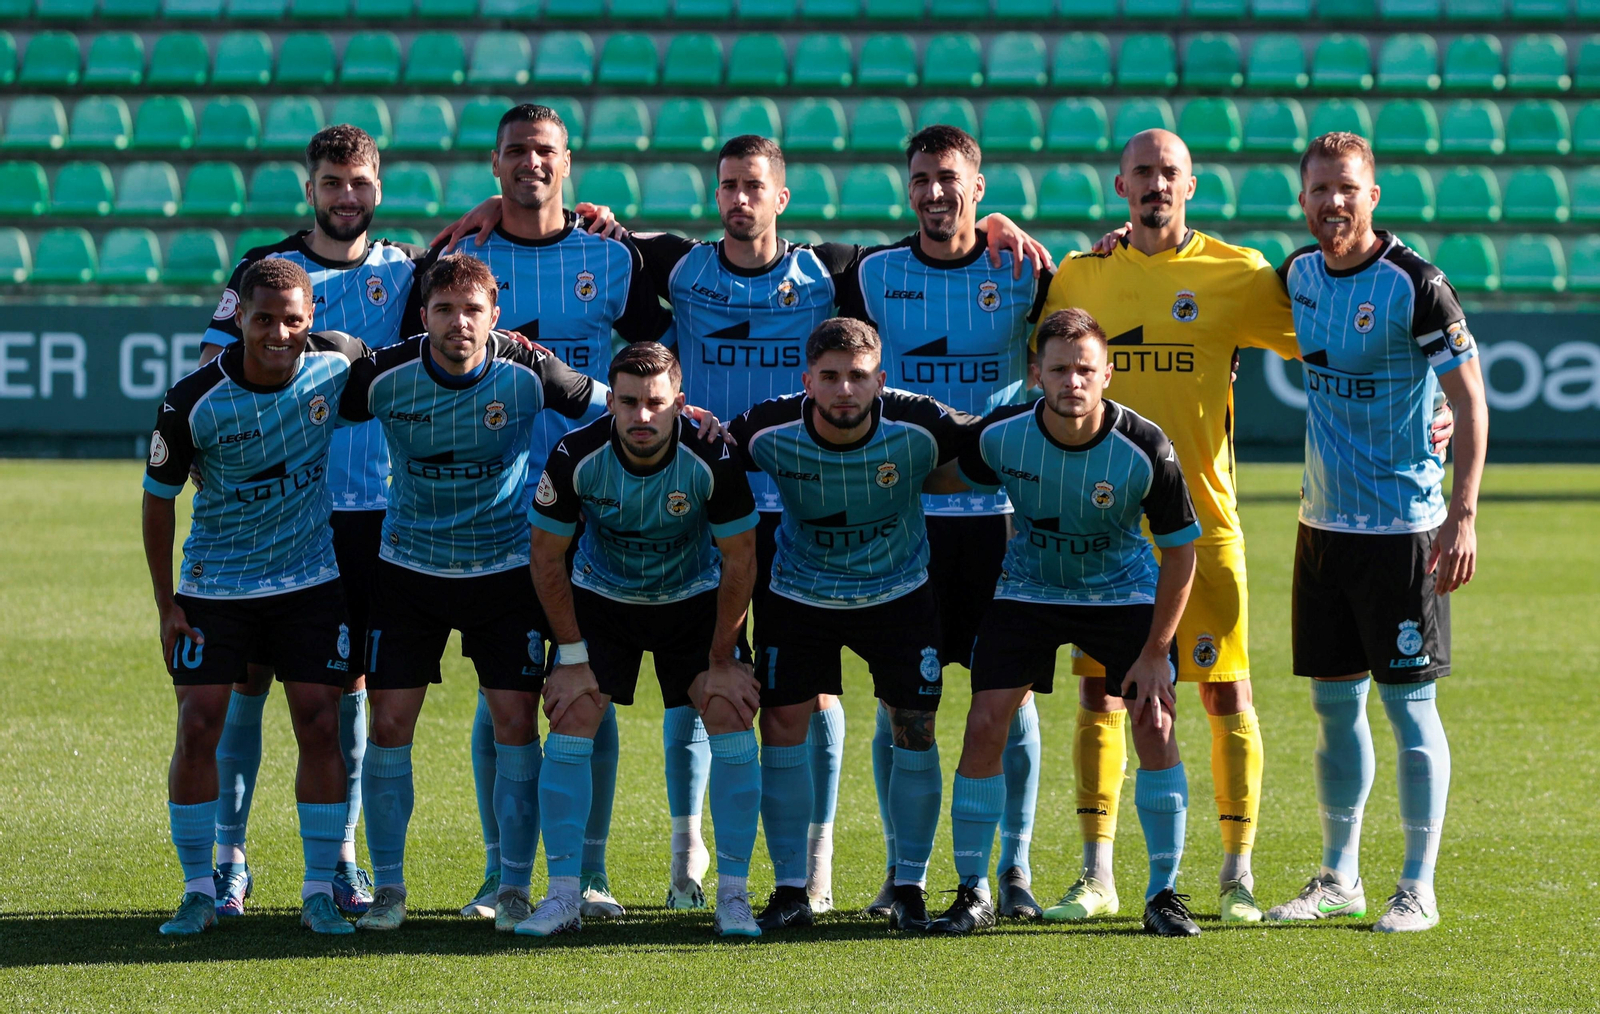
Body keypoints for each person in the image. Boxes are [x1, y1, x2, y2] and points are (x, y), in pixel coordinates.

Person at [442, 131, 1051, 913]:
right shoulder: (678, 265)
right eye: (728, 186)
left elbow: (944, 240)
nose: (740, 200)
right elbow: (552, 214)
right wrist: (499, 201)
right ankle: (686, 855)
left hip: (814, 504)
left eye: (754, 187)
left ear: (781, 197)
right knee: (701, 679)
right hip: (698, 502)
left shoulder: (836, 269)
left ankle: (818, 866)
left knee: (823, 694)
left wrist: (990, 220)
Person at [404, 103, 670, 922]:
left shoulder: (613, 257)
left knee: (595, 686)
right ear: (495, 164)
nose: (532, 163)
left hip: (605, 504)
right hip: (505, 508)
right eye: (516, 151)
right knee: (508, 694)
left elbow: (671, 330)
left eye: (546, 151)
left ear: (569, 161)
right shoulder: (459, 259)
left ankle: (586, 873)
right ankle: (501, 872)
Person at [336, 255, 605, 934]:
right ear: (424, 315)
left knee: (517, 727)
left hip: (505, 574)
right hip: (407, 573)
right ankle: (390, 891)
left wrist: (688, 419)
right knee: (390, 728)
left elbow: (615, 404)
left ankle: (514, 890)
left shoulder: (530, 370)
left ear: (495, 314)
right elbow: (304, 408)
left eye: (473, 310)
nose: (460, 323)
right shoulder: (383, 375)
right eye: (445, 310)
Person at [195, 124, 420, 918]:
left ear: (378, 188)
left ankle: (343, 856)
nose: (346, 197)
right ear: (310, 187)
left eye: (359, 183)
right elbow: (208, 371)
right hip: (279, 513)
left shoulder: (405, 268)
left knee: (344, 688)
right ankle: (229, 856)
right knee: (246, 684)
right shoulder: (263, 272)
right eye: (332, 182)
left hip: (376, 516)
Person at [1265, 132, 1487, 933]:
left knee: (1411, 708)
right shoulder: (1296, 275)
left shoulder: (1418, 285)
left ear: (1373, 194)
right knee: (1333, 707)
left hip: (1403, 531)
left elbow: (1469, 401)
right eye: (1320, 190)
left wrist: (1462, 515)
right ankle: (1339, 877)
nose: (1333, 203)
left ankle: (1417, 885)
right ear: (1303, 199)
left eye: (1347, 188)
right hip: (1319, 525)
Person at [923, 307, 1204, 937]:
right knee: (985, 721)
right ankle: (972, 892)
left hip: (1122, 592)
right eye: (1058, 370)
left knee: (1155, 720)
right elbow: (944, 476)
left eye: (1084, 369)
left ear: (1107, 374)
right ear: (1036, 374)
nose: (1072, 382)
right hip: (1028, 589)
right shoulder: (1003, 434)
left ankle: (1163, 894)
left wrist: (1157, 651)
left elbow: (1182, 550)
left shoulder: (1146, 447)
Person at [833, 125, 1053, 919]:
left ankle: (1016, 870)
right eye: (921, 178)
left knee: (1011, 698)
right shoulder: (873, 273)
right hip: (905, 521)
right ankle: (905, 876)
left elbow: (1078, 358)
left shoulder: (1027, 270)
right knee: (905, 706)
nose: (935, 192)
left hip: (1000, 518)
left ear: (979, 187)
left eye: (950, 177)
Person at [726, 318, 980, 934]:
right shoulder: (765, 428)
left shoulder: (922, 423)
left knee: (914, 730)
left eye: (859, 377)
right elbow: (710, 447)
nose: (845, 389)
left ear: (881, 382)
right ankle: (790, 888)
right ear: (807, 380)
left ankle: (910, 886)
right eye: (831, 377)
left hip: (899, 593)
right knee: (783, 724)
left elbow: (990, 444)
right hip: (798, 592)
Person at [142, 257, 370, 936]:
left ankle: (318, 889)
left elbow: (422, 365)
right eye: (263, 318)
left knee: (320, 725)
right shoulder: (191, 401)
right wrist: (166, 605)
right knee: (199, 725)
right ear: (237, 317)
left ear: (311, 321)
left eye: (292, 319)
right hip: (216, 587)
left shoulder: (339, 365)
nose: (278, 332)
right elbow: (158, 505)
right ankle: (197, 888)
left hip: (309, 583)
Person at [519, 342, 763, 938]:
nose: (642, 416)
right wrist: (572, 658)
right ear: (612, 402)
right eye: (628, 402)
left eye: (656, 403)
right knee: (573, 712)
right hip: (605, 600)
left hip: (693, 600)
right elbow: (546, 558)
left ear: (679, 402)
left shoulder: (711, 454)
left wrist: (723, 658)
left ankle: (733, 895)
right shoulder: (576, 453)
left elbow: (740, 559)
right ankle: (562, 896)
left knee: (729, 708)